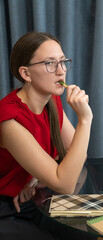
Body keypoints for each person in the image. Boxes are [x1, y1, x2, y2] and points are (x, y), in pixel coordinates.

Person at [0, 31, 93, 239]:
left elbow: (76, 154)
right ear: (25, 74)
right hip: (7, 209)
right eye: (50, 63)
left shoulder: (50, 100)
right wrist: (85, 120)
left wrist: (34, 176)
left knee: (96, 225)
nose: (61, 72)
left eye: (63, 62)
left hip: (31, 198)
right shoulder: (10, 121)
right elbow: (65, 185)